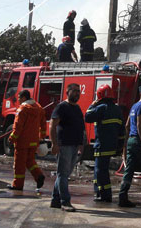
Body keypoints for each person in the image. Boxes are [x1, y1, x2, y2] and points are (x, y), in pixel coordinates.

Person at [50, 83, 86, 212]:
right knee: (63, 174)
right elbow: (52, 126)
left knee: (64, 174)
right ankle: (65, 202)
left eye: (78, 91)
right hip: (64, 145)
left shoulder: (77, 108)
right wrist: (54, 144)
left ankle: (55, 200)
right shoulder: (62, 107)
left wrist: (81, 144)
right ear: (67, 92)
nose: (77, 93)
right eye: (74, 91)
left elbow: (81, 128)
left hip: (74, 145)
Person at [84, 84, 122, 202]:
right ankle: (99, 192)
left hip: (102, 145)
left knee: (100, 171)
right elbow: (122, 129)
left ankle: (105, 194)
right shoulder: (117, 109)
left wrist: (93, 103)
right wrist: (120, 146)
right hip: (112, 145)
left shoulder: (101, 108)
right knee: (100, 169)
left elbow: (87, 116)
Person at [7, 89, 47, 191]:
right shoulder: (38, 108)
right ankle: (39, 176)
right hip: (34, 141)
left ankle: (18, 185)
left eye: (19, 98)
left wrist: (12, 138)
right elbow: (43, 124)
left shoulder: (22, 110)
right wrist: (42, 136)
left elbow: (18, 127)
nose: (18, 100)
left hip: (22, 142)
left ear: (24, 98)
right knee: (30, 161)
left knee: (19, 163)